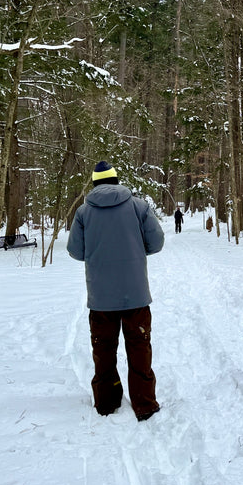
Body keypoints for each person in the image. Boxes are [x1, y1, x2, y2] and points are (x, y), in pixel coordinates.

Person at [68, 160, 165, 421]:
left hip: (100, 298)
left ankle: (106, 402)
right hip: (135, 295)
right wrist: (134, 250)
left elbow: (75, 251)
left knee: (104, 350)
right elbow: (156, 243)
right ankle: (144, 403)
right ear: (116, 180)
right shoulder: (139, 206)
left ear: (95, 183)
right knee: (139, 348)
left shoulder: (83, 212)